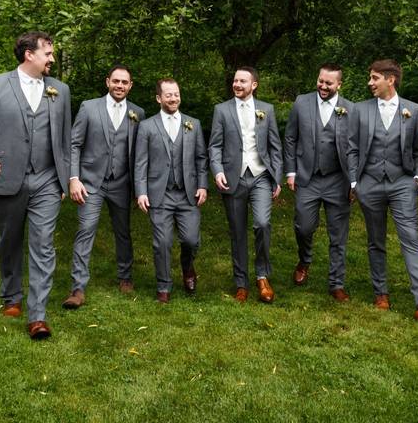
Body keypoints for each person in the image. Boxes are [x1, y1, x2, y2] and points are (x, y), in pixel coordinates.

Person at [0, 31, 72, 340]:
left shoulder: (60, 90)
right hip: (6, 175)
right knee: (9, 241)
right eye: (48, 53)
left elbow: (65, 140)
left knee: (43, 244)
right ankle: (11, 295)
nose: (52, 58)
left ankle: (37, 315)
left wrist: (68, 177)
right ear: (29, 54)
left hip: (48, 180)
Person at [347, 59, 418, 324]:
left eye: (374, 77)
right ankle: (381, 293)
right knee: (375, 239)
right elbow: (353, 148)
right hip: (369, 183)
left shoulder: (413, 110)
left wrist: (417, 178)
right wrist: (355, 182)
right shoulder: (360, 110)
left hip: (402, 182)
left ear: (390, 80)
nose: (370, 83)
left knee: (411, 238)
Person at [62, 65, 145, 309]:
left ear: (130, 85)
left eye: (124, 82)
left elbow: (141, 154)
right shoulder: (89, 107)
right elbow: (75, 144)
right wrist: (74, 178)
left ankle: (125, 277)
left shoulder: (138, 113)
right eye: (116, 81)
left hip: (122, 182)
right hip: (91, 182)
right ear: (107, 81)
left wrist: (139, 188)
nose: (120, 85)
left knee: (123, 231)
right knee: (85, 229)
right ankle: (78, 287)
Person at [209, 67, 283, 303]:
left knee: (262, 223)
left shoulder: (266, 110)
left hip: (260, 174)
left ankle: (262, 276)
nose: (237, 84)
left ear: (254, 85)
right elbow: (215, 146)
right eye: (235, 80)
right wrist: (218, 171)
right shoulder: (221, 110)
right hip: (234, 177)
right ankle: (241, 282)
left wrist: (276, 177)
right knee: (237, 231)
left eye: (243, 81)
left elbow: (275, 147)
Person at [283, 63, 354, 302]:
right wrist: (291, 171)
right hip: (307, 177)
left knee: (338, 235)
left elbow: (356, 149)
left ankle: (336, 283)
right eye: (320, 81)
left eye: (329, 83)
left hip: (338, 180)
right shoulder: (301, 103)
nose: (323, 86)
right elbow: (290, 138)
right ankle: (305, 260)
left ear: (339, 85)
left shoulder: (350, 109)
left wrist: (354, 182)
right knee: (303, 226)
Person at [134, 79, 209, 303]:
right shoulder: (147, 126)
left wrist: (203, 185)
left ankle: (187, 267)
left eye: (176, 94)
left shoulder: (192, 124)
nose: (173, 98)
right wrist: (141, 191)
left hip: (188, 193)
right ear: (159, 98)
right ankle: (164, 286)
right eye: (168, 95)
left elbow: (201, 158)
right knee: (163, 242)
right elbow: (140, 162)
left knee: (191, 240)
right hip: (160, 193)